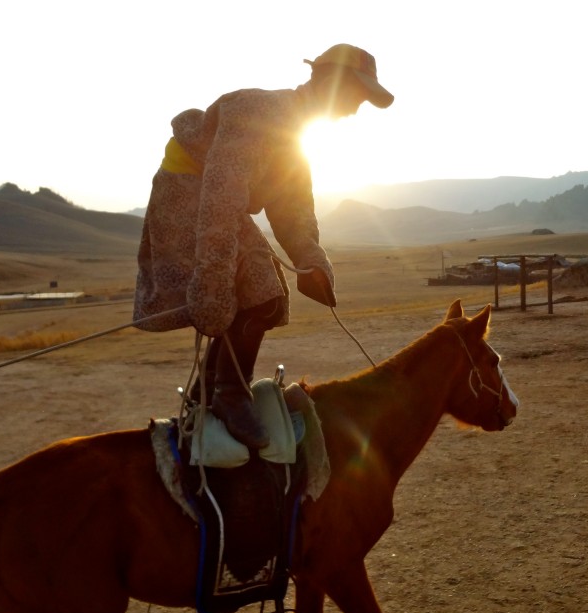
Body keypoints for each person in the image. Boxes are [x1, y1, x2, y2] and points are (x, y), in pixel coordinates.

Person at [134, 44, 394, 449]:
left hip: (212, 201)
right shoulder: (258, 112)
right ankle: (230, 394)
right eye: (354, 96)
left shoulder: (297, 139)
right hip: (187, 193)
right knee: (262, 290)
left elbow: (293, 212)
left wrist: (311, 260)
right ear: (328, 83)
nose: (355, 109)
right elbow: (221, 198)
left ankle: (210, 393)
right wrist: (213, 277)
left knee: (264, 296)